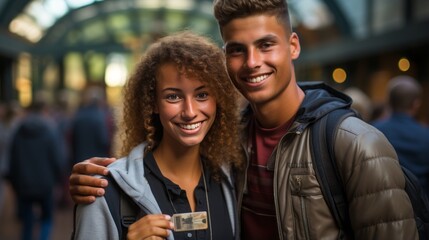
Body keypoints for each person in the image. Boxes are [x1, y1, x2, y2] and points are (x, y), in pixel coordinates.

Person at [69, 0, 418, 239]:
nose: (252, 62)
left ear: (293, 46)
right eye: (237, 49)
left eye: (266, 45)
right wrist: (103, 184)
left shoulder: (355, 143)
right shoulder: (229, 143)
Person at [71, 31, 243, 240]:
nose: (189, 112)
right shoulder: (103, 193)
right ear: (152, 103)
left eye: (202, 95)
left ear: (219, 99)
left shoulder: (233, 179)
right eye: (173, 96)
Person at [7, 99, 63, 240]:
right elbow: (57, 158)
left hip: (24, 183)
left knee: (27, 221)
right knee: (47, 218)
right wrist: (57, 180)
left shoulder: (19, 130)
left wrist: (15, 183)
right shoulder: (50, 130)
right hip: (46, 183)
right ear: (44, 110)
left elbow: (13, 159)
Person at [372, 75, 429, 197]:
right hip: (421, 207)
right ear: (416, 104)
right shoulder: (425, 135)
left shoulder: (373, 131)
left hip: (386, 205)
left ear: (389, 102)